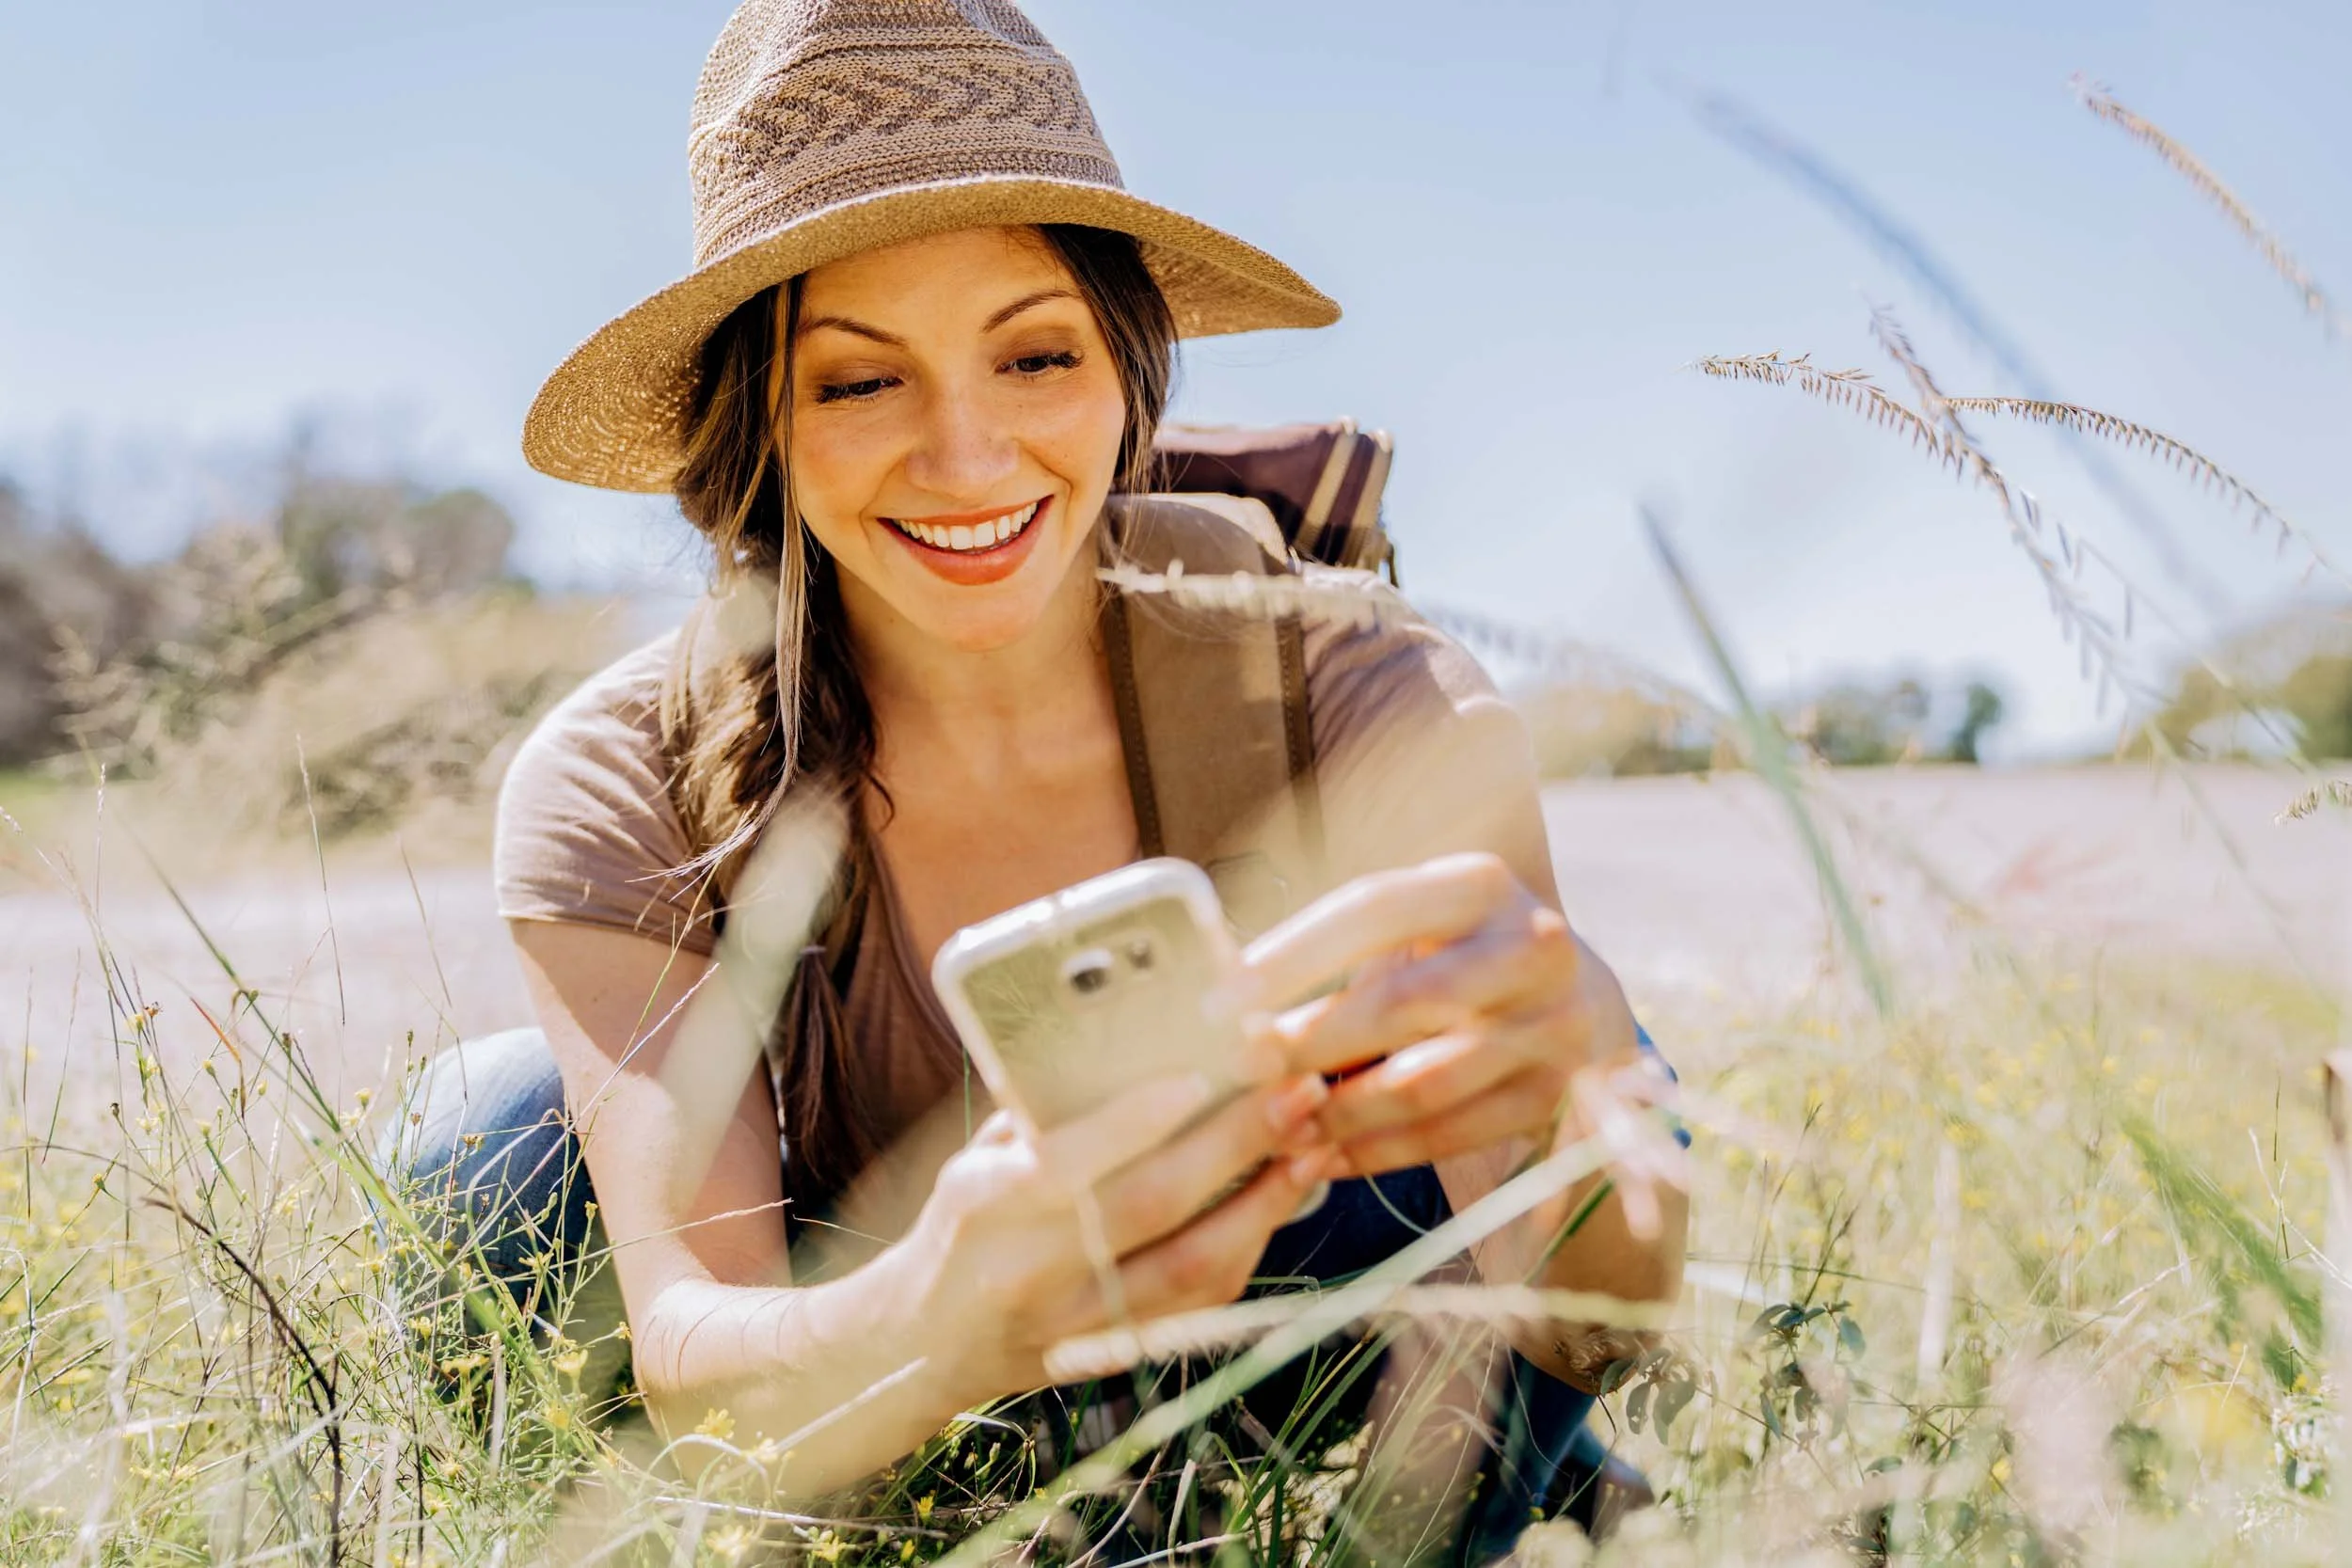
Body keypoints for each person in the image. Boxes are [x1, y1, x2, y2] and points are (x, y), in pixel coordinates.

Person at [384, 0, 1688, 1558]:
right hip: (880, 1393)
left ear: (1132, 374)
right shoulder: (623, 774)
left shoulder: (1355, 682)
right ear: (763, 431)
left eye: (1037, 353)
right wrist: (943, 1305)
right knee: (488, 1137)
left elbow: (1591, 1309)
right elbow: (688, 1345)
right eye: (859, 382)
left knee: (1532, 1042)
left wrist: (1588, 1126)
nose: (968, 455)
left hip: (1312, 1381)